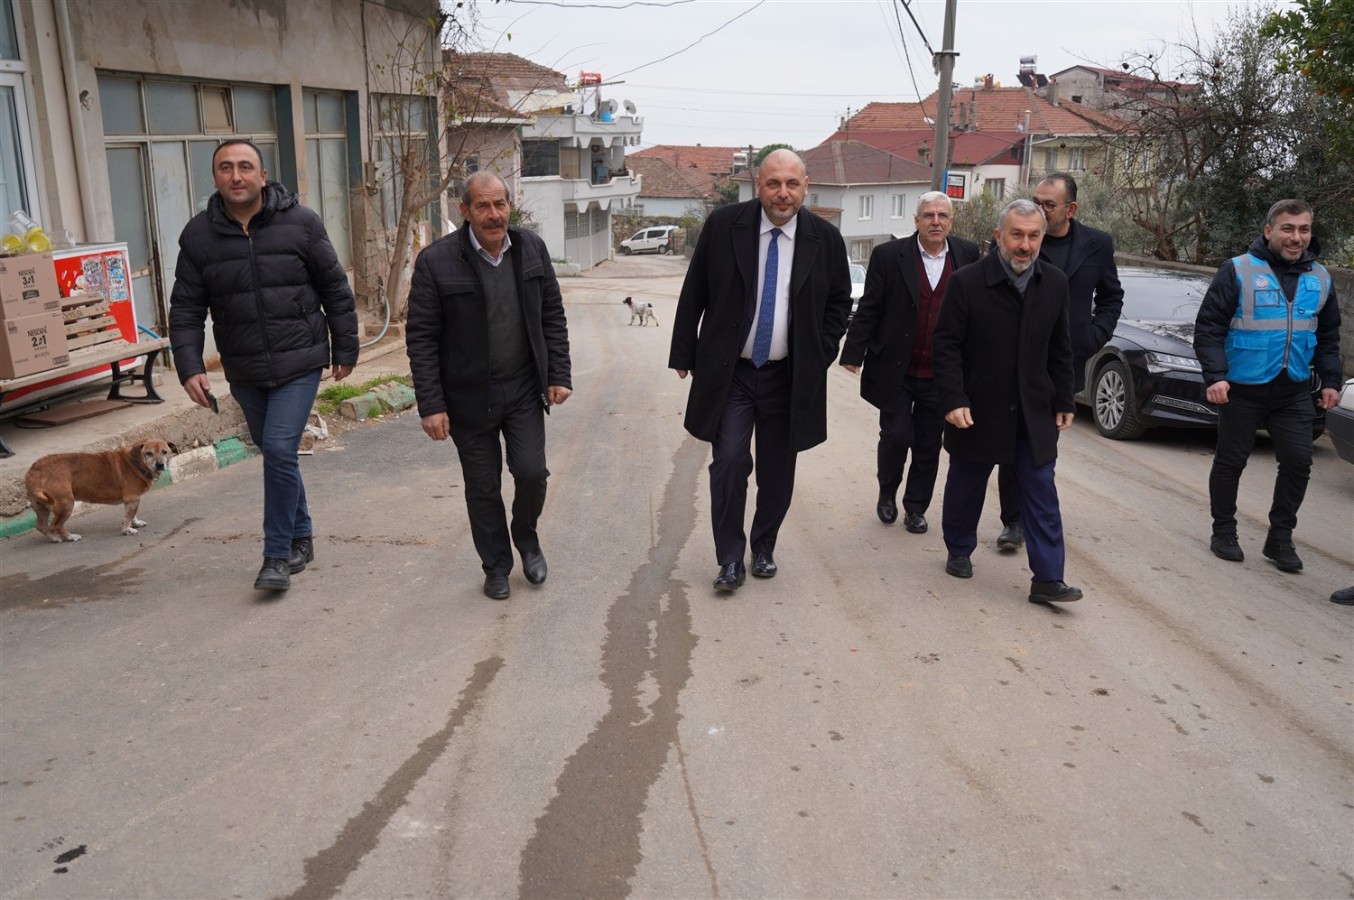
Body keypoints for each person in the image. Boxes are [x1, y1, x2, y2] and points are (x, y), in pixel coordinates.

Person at [170, 139, 358, 592]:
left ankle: (275, 556)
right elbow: (186, 308)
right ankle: (301, 535)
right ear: (215, 177)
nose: (236, 176)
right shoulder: (198, 236)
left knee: (276, 448)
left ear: (263, 174)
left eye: (245, 167)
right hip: (244, 366)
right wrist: (189, 364)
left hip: (300, 359)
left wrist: (345, 348)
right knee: (275, 453)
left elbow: (334, 289)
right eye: (225, 168)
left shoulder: (302, 224)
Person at [669, 149, 851, 592]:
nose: (782, 194)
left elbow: (839, 305)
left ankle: (763, 546)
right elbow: (696, 289)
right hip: (732, 374)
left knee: (777, 471)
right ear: (758, 185)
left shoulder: (825, 240)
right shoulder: (724, 225)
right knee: (728, 462)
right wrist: (684, 352)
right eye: (773, 184)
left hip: (788, 377)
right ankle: (730, 559)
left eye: (792, 184)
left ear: (806, 186)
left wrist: (820, 353)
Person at [405, 171, 572, 600]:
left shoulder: (530, 248)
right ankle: (496, 564)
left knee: (532, 473)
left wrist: (559, 373)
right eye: (483, 206)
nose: (494, 214)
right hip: (467, 397)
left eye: (500, 204)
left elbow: (552, 314)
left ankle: (526, 536)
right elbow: (421, 338)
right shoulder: (436, 261)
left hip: (522, 389)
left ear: (510, 206)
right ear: (464, 211)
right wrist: (431, 404)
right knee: (482, 486)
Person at [932, 198, 1082, 604]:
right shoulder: (966, 282)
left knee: (1041, 490)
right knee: (966, 484)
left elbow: (1060, 348)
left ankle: (1048, 578)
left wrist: (1064, 397)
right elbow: (945, 346)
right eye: (1016, 235)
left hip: (1033, 409)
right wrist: (953, 398)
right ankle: (959, 548)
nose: (1025, 245)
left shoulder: (1054, 283)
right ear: (999, 235)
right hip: (977, 407)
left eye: (1034, 236)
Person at [1193, 199, 1341, 572]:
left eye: (1303, 229)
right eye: (1288, 229)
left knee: (1299, 462)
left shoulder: (1321, 278)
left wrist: (1330, 381)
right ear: (1269, 231)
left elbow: (1328, 336)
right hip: (1242, 387)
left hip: (1292, 388)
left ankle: (1280, 539)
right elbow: (1209, 328)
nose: (1296, 237)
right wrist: (1216, 375)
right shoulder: (1238, 271)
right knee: (1231, 461)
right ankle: (1224, 531)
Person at [994, 173, 1123, 552]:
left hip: (1067, 360)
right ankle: (1013, 522)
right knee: (1016, 435)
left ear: (1071, 209)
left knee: (1043, 441)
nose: (1038, 209)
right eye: (1036, 200)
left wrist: (1095, 335)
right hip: (1019, 359)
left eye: (1049, 204)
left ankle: (1036, 515)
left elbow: (1111, 297)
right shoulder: (1019, 239)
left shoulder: (1097, 245)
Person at [839, 191, 979, 534]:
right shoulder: (889, 256)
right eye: (928, 215)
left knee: (929, 443)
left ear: (950, 221)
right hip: (896, 369)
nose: (936, 221)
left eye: (942, 216)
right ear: (915, 221)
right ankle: (887, 492)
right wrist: (854, 352)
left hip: (941, 373)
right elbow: (870, 306)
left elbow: (976, 312)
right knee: (896, 436)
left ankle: (916, 507)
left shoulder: (967, 254)